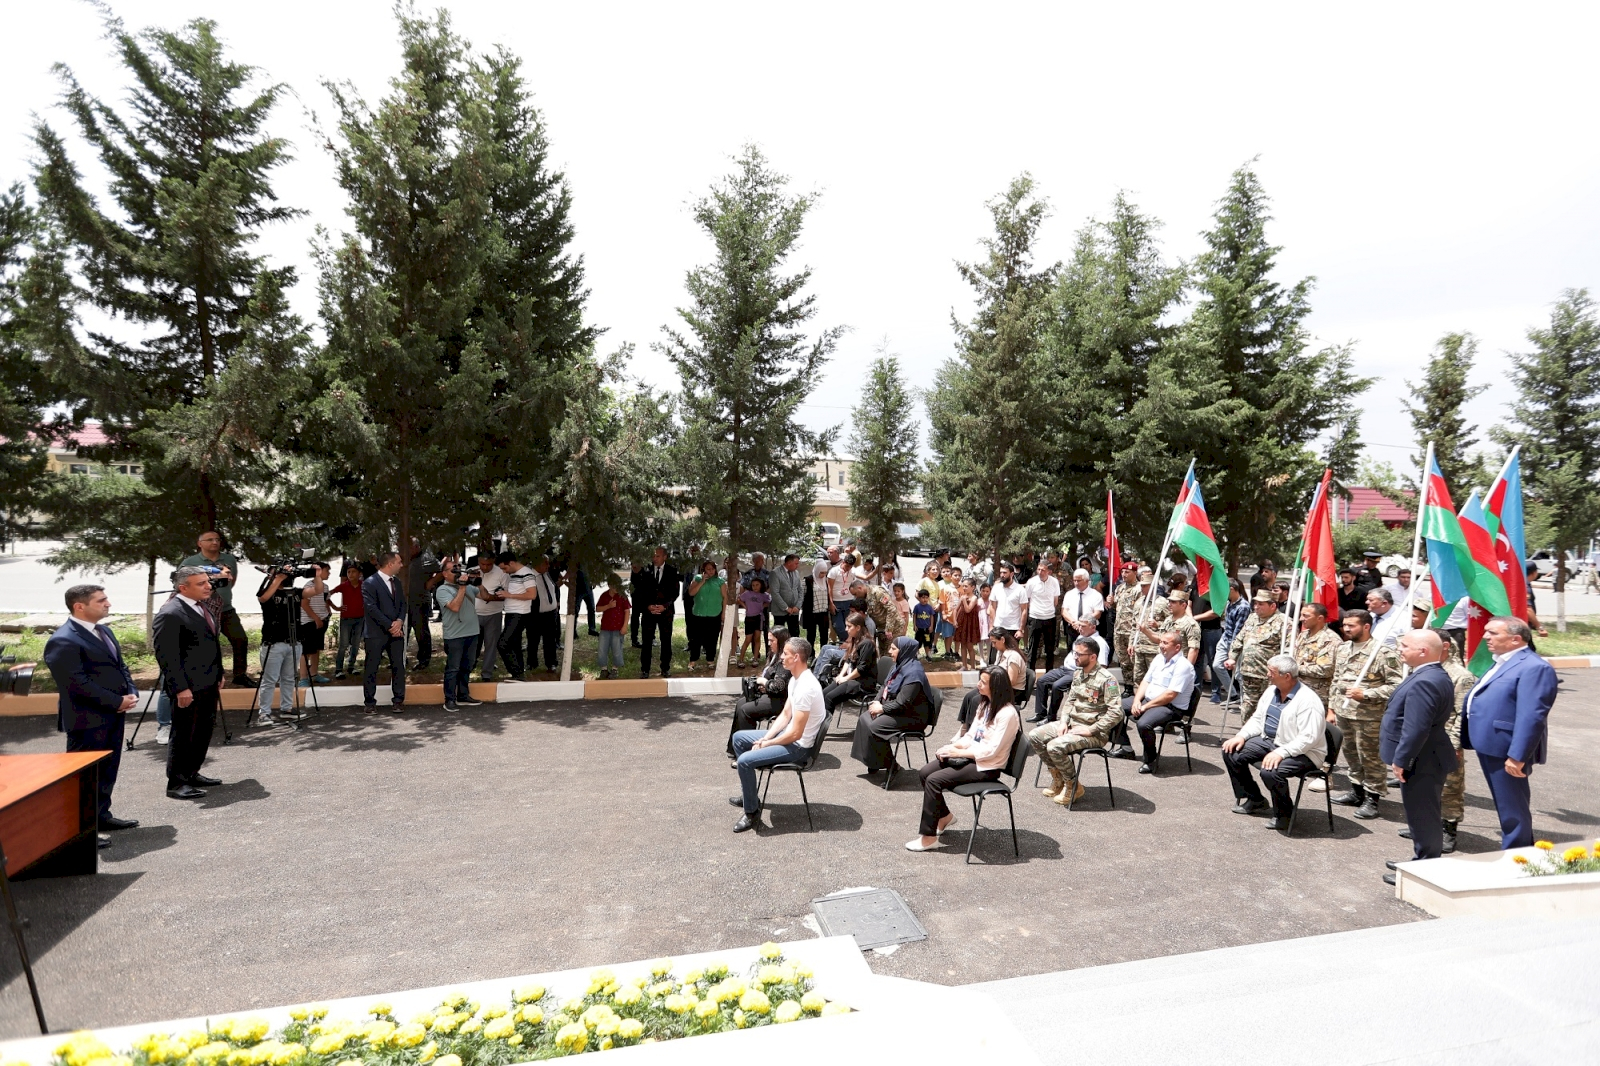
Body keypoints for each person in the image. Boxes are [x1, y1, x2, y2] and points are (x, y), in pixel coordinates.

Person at [44, 584, 141, 839]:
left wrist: (130, 692)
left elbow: (120, 667)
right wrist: (115, 701)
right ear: (79, 606)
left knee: (107, 770)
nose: (108, 604)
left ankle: (101, 817)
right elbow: (76, 683)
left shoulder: (104, 630)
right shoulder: (63, 639)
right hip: (87, 720)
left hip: (112, 715)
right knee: (84, 779)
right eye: (101, 600)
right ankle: (79, 832)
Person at [1461, 616, 1558, 849]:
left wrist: (1517, 756)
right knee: (1505, 803)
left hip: (1507, 748)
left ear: (1515, 639)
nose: (1485, 637)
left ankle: (1517, 854)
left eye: (1493, 633)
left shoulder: (1534, 667)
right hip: (1489, 742)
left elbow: (1532, 716)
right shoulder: (1502, 660)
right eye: (1486, 631)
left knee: (1512, 806)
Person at [905, 666, 1021, 851]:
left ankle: (928, 838)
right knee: (925, 772)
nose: (978, 684)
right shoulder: (985, 704)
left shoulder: (1007, 714)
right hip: (971, 758)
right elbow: (971, 736)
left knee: (934, 780)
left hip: (987, 766)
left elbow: (991, 751)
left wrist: (958, 754)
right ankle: (944, 817)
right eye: (980, 680)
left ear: (996, 687)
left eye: (983, 682)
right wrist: (953, 747)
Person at [1380, 629, 1457, 880]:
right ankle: (1420, 860)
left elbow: (1416, 728)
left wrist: (1402, 760)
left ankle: (1423, 871)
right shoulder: (1429, 674)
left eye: (1404, 646)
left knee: (1423, 817)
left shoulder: (1426, 680)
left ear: (1423, 651)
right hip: (1425, 756)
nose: (1399, 649)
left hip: (1422, 759)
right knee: (1420, 815)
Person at [729, 637, 825, 832]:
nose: (781, 656)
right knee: (738, 738)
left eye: (785, 653)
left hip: (798, 748)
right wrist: (767, 737)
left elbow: (796, 734)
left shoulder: (806, 687)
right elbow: (786, 714)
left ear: (796, 657)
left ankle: (751, 812)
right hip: (789, 737)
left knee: (745, 761)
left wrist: (767, 744)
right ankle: (750, 797)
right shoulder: (796, 679)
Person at [1221, 655, 1328, 830]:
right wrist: (1241, 736)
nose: (1267, 674)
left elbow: (1309, 738)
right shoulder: (1271, 691)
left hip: (1305, 752)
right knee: (1231, 751)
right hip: (1271, 742)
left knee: (1271, 771)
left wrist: (1280, 753)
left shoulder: (1308, 701)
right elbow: (1258, 719)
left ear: (1287, 676)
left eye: (1271, 672)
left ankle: (1285, 814)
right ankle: (1255, 799)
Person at [152, 567, 225, 799]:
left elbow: (211, 643)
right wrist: (180, 688)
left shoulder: (201, 606)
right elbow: (167, 656)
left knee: (203, 731)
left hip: (208, 681)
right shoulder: (170, 613)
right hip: (188, 686)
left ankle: (192, 773)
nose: (208, 586)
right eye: (201, 583)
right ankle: (176, 783)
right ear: (183, 588)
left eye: (207, 581)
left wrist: (219, 673)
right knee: (184, 734)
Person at [1328, 609, 1404, 820]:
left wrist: (1367, 694)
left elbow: (1397, 686)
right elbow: (1336, 679)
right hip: (1344, 713)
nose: (1346, 629)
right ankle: (1357, 791)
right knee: (1351, 754)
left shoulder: (1383, 653)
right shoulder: (1343, 649)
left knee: (1370, 758)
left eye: (1351, 625)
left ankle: (1373, 798)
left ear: (1366, 626)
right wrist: (1331, 708)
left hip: (1369, 716)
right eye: (1345, 625)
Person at [1028, 637, 1123, 806]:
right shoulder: (1078, 673)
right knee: (1035, 735)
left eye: (1079, 654)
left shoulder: (1107, 679)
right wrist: (1063, 722)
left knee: (1054, 746)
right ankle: (1059, 779)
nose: (1075, 657)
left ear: (1092, 657)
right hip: (1072, 725)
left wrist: (1092, 729)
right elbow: (1070, 701)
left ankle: (1073, 785)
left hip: (1093, 733)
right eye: (1074, 653)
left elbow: (1116, 712)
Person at [851, 636, 936, 777]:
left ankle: (892, 766)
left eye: (893, 649)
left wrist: (882, 709)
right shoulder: (899, 665)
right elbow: (885, 685)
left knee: (876, 727)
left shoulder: (914, 673)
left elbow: (903, 702)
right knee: (865, 719)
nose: (890, 652)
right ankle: (874, 762)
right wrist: (877, 702)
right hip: (899, 710)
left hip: (913, 716)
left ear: (904, 651)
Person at [180, 531, 251, 685]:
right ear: (200, 543)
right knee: (209, 644)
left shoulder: (228, 560)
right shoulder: (190, 562)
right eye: (210, 540)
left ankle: (240, 675)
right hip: (202, 611)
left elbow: (231, 581)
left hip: (226, 609)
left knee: (240, 639)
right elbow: (181, 584)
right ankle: (213, 676)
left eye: (217, 539)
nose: (215, 542)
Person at [1127, 630, 1198, 773]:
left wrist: (1145, 707)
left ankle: (1151, 759)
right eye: (1160, 642)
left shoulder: (1183, 666)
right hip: (1150, 701)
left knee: (1144, 724)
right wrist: (1136, 701)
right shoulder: (1159, 658)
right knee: (1115, 707)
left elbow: (1170, 695)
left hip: (1170, 708)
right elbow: (1146, 681)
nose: (1161, 645)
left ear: (1177, 647)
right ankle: (1124, 747)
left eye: (1165, 643)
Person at [1029, 617, 1109, 724]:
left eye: (1083, 626)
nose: (1080, 628)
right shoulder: (1081, 637)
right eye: (1079, 625)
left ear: (1093, 627)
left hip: (1079, 672)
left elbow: (1102, 665)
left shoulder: (1100, 643)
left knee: (1057, 686)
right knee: (1042, 680)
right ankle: (1040, 714)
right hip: (1065, 669)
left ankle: (1051, 717)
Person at [1224, 590, 1288, 720]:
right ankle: (1246, 732)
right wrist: (1232, 657)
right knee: (1247, 708)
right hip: (1249, 673)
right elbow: (1240, 638)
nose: (1256, 607)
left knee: (1267, 709)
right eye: (1255, 603)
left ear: (1272, 606)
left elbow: (1288, 650)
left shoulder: (1284, 622)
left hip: (1269, 676)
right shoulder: (1252, 618)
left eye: (1261, 604)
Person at [727, 627, 793, 753]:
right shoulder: (773, 655)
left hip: (780, 701)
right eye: (768, 640)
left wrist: (764, 682)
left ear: (780, 641)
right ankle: (734, 748)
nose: (768, 643)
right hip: (769, 695)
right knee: (741, 703)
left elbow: (778, 686)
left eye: (772, 641)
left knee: (745, 710)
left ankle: (748, 750)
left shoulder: (784, 660)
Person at [255, 561, 303, 726]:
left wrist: (316, 574)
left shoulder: (294, 592)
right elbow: (263, 597)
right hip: (273, 643)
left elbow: (316, 590)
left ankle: (286, 709)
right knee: (269, 679)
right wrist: (277, 578)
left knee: (289, 678)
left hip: (293, 642)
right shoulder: (268, 590)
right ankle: (264, 713)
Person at [362, 551, 408, 711]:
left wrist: (400, 621)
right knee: (372, 667)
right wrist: (391, 626)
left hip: (396, 632)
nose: (401, 565)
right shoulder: (369, 583)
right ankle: (369, 703)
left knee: (398, 666)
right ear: (390, 564)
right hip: (376, 633)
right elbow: (371, 608)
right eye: (399, 562)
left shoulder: (397, 582)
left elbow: (402, 604)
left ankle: (398, 700)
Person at [436, 558, 483, 711]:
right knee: (453, 668)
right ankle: (449, 699)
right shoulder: (443, 590)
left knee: (467, 666)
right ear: (445, 574)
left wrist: (478, 580)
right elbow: (455, 607)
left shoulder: (468, 586)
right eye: (453, 569)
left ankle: (463, 695)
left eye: (458, 567)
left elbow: (485, 596)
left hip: (472, 632)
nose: (457, 571)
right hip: (455, 635)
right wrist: (462, 587)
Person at [634, 546, 681, 678]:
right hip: (649, 612)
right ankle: (645, 669)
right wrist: (647, 606)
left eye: (658, 556)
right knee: (647, 641)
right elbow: (640, 591)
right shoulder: (646, 570)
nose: (655, 558)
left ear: (665, 557)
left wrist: (664, 606)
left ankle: (665, 668)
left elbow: (675, 592)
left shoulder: (672, 571)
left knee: (666, 640)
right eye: (653, 556)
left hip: (665, 612)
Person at [823, 611, 879, 713]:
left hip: (863, 682)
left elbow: (861, 669)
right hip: (852, 679)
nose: (846, 629)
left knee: (830, 698)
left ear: (858, 628)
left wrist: (846, 678)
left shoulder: (867, 644)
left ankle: (825, 722)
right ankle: (820, 720)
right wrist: (840, 676)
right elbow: (848, 660)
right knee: (823, 694)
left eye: (849, 626)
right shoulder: (855, 640)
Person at [497, 551, 536, 680]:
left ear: (512, 563)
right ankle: (518, 674)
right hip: (511, 612)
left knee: (503, 644)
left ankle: (516, 672)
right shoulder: (513, 574)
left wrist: (509, 595)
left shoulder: (527, 574)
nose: (504, 571)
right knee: (514, 644)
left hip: (519, 614)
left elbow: (532, 595)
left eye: (504, 568)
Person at [1211, 579, 1250, 704]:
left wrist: (1232, 650)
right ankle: (1233, 695)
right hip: (1225, 639)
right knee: (1217, 665)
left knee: (1239, 674)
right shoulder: (1229, 603)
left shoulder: (1243, 607)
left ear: (1232, 589)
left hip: (1235, 643)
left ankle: (1244, 702)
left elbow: (1238, 631)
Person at [471, 553, 508, 682]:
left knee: (491, 645)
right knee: (472, 644)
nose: (485, 567)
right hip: (474, 614)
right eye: (483, 564)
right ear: (478, 561)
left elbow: (505, 595)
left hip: (494, 614)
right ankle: (469, 667)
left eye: (489, 564)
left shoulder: (502, 573)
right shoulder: (472, 572)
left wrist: (489, 598)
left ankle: (487, 674)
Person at [406, 540, 441, 670]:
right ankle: (400, 658)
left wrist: (432, 582)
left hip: (420, 601)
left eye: (410, 547)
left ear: (416, 547)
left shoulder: (427, 558)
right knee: (401, 631)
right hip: (403, 601)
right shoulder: (402, 557)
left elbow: (442, 570)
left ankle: (424, 660)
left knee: (421, 632)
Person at [297, 561, 333, 684]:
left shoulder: (325, 587)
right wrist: (316, 618)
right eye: (327, 570)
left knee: (316, 649)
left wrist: (328, 612)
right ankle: (303, 677)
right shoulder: (309, 586)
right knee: (306, 651)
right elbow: (304, 604)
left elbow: (326, 600)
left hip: (322, 620)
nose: (329, 573)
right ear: (318, 572)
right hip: (309, 622)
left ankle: (314, 674)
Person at [1022, 561, 1062, 671]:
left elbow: (1055, 600)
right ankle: (1030, 673)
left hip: (1050, 618)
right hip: (1035, 618)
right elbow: (1027, 600)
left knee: (1050, 649)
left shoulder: (1054, 582)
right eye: (1038, 569)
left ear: (1049, 571)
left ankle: (1049, 674)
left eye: (1043, 570)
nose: (1040, 572)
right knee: (1033, 648)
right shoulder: (1031, 582)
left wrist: (1047, 610)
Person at [686, 560, 726, 666]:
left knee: (712, 638)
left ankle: (710, 659)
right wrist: (702, 581)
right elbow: (691, 593)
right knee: (696, 638)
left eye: (712, 569)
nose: (711, 571)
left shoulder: (720, 581)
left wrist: (723, 613)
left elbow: (725, 598)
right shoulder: (697, 578)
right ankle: (693, 660)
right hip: (699, 613)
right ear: (704, 570)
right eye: (708, 569)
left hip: (714, 613)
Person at [330, 564, 366, 681]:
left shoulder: (364, 585)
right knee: (343, 644)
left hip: (360, 619)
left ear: (359, 574)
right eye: (348, 572)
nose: (350, 574)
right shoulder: (344, 586)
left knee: (355, 644)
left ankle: (351, 666)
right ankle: (338, 669)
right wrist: (335, 607)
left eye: (353, 572)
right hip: (346, 619)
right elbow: (328, 594)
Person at [1110, 564, 1144, 687]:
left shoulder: (1139, 589)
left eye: (1127, 572)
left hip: (1132, 631)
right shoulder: (1120, 588)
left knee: (1135, 661)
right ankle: (1128, 686)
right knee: (1124, 661)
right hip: (1119, 631)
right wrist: (1111, 602)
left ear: (1135, 573)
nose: (1124, 575)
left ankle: (1138, 687)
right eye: (1122, 572)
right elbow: (1118, 606)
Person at [528, 557, 562, 673]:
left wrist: (557, 602)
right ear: (537, 564)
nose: (548, 566)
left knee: (550, 640)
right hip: (535, 615)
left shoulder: (547, 574)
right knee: (533, 639)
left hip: (551, 614)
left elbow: (554, 588)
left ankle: (551, 663)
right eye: (545, 563)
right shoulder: (530, 576)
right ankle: (532, 663)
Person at [595, 575, 631, 680]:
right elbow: (597, 608)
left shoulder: (622, 595)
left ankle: (615, 669)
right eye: (615, 586)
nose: (617, 588)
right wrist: (608, 606)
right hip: (605, 627)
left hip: (618, 628)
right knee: (602, 648)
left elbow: (627, 611)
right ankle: (604, 669)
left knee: (617, 649)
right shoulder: (604, 595)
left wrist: (625, 626)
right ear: (609, 585)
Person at [850, 577, 896, 657]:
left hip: (893, 628)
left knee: (891, 654)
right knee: (883, 655)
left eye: (855, 594)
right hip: (881, 628)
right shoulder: (864, 597)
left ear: (860, 588)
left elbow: (891, 608)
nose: (855, 597)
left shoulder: (877, 592)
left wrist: (889, 629)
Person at [987, 561, 1028, 651]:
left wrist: (1020, 629)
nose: (1002, 575)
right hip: (998, 627)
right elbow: (992, 607)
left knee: (1011, 655)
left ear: (1012, 574)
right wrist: (991, 626)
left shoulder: (1020, 590)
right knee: (995, 657)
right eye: (1001, 572)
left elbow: (1024, 610)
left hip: (1013, 628)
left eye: (1005, 573)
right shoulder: (996, 588)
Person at [769, 554, 805, 644]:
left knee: (795, 633)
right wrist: (786, 608)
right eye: (796, 563)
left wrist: (798, 606)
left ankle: (793, 650)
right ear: (789, 563)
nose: (797, 566)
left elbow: (800, 590)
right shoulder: (775, 573)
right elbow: (775, 593)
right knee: (778, 634)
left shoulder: (796, 573)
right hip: (780, 611)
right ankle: (778, 651)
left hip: (794, 610)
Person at [737, 577, 772, 665]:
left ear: (761, 585)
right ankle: (741, 659)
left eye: (757, 585)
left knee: (757, 638)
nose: (755, 587)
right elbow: (739, 600)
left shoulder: (763, 595)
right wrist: (745, 607)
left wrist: (763, 606)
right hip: (749, 618)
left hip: (759, 618)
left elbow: (769, 601)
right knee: (748, 639)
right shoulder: (747, 594)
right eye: (753, 585)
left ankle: (755, 659)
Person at [912, 588, 937, 658]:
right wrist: (914, 625)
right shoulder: (917, 607)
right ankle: (917, 653)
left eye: (926, 597)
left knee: (927, 641)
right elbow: (914, 616)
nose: (925, 599)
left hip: (927, 629)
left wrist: (931, 626)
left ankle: (927, 654)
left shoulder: (929, 607)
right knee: (918, 641)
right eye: (923, 597)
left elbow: (931, 616)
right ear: (919, 598)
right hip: (919, 629)